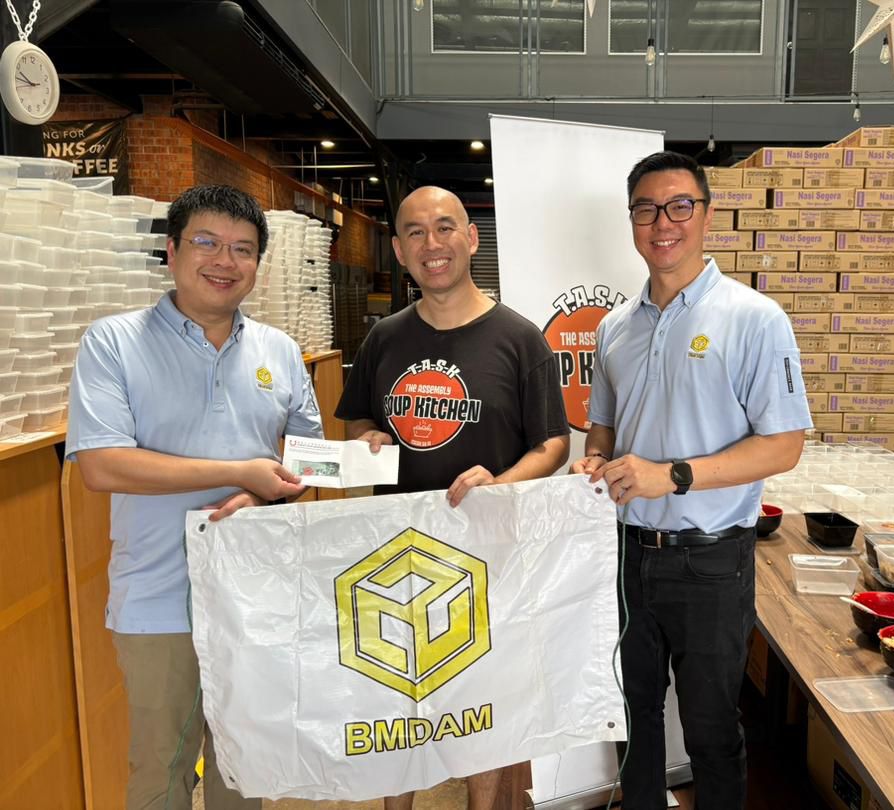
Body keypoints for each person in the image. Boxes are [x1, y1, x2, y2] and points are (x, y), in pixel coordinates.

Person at [66, 184, 324, 810]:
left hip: (253, 593)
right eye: (207, 242)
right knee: (161, 770)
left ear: (258, 264)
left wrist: (263, 498)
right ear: (173, 250)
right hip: (158, 598)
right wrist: (243, 471)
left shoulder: (280, 350)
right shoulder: (112, 342)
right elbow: (101, 464)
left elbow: (307, 458)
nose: (224, 261)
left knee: (244, 767)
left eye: (243, 249)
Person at [570, 152, 812, 809]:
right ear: (632, 221)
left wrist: (671, 476)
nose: (662, 223)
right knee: (632, 717)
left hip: (710, 562)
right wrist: (596, 458)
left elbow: (785, 445)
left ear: (705, 216)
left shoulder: (755, 318)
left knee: (710, 730)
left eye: (679, 206)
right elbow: (603, 427)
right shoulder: (615, 327)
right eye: (646, 209)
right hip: (625, 555)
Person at [335, 185, 570, 810]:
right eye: (415, 232)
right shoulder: (384, 339)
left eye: (444, 228)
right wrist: (368, 437)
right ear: (398, 250)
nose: (431, 244)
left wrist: (502, 484)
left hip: (488, 557)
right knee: (398, 704)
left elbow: (553, 444)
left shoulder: (520, 339)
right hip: (395, 559)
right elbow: (356, 420)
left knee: (481, 709)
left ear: (471, 238)